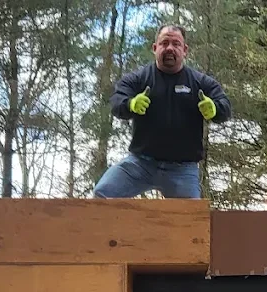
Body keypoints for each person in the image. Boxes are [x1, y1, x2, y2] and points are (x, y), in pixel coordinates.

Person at [93, 25, 231, 199]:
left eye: (176, 43)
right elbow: (116, 101)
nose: (170, 48)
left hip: (183, 169)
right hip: (140, 164)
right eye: (164, 43)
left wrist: (215, 109)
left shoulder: (200, 82)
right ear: (155, 48)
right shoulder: (139, 78)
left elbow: (225, 106)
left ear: (185, 50)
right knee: (103, 193)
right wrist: (130, 104)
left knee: (191, 220)